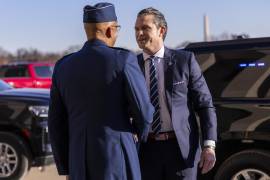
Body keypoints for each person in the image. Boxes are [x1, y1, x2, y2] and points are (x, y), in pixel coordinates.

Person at [48, 3, 154, 180]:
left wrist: (67, 167)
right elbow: (144, 112)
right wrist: (136, 136)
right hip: (116, 159)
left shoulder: (63, 66)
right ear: (110, 30)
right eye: (117, 29)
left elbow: (55, 124)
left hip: (79, 164)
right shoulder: (123, 60)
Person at [135, 7, 217, 180]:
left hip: (181, 151)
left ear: (161, 30)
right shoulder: (131, 66)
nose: (139, 33)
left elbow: (204, 104)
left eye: (145, 28)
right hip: (146, 151)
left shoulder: (184, 61)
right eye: (136, 29)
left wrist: (209, 146)